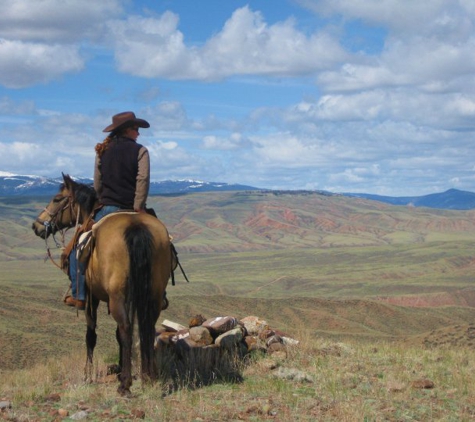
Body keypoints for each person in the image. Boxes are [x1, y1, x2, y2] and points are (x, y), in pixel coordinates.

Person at [65, 111, 157, 310]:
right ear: (127, 130)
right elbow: (142, 180)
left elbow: (97, 183)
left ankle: (79, 295)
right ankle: (161, 293)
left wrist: (101, 199)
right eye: (136, 129)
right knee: (163, 243)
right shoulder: (141, 151)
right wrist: (138, 206)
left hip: (108, 209)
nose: (138, 133)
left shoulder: (102, 151)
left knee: (77, 248)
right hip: (133, 209)